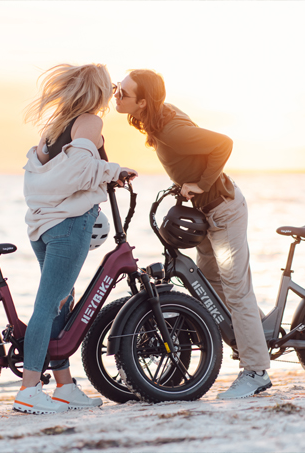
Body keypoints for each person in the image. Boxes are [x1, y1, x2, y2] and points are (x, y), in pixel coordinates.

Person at [114, 69, 271, 400]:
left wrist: (201, 183)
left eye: (122, 93)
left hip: (224, 210)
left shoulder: (170, 128)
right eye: (117, 89)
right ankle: (259, 335)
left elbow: (222, 144)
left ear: (142, 101)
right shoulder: (158, 117)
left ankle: (255, 370)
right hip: (205, 213)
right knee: (211, 283)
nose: (117, 95)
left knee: (236, 289)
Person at [14, 63, 138, 414]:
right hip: (69, 226)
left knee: (60, 302)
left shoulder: (53, 128)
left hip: (43, 227)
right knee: (48, 304)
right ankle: (28, 389)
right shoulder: (89, 122)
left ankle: (65, 386)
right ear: (97, 90)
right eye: (110, 87)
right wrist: (114, 170)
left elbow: (44, 176)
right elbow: (80, 171)